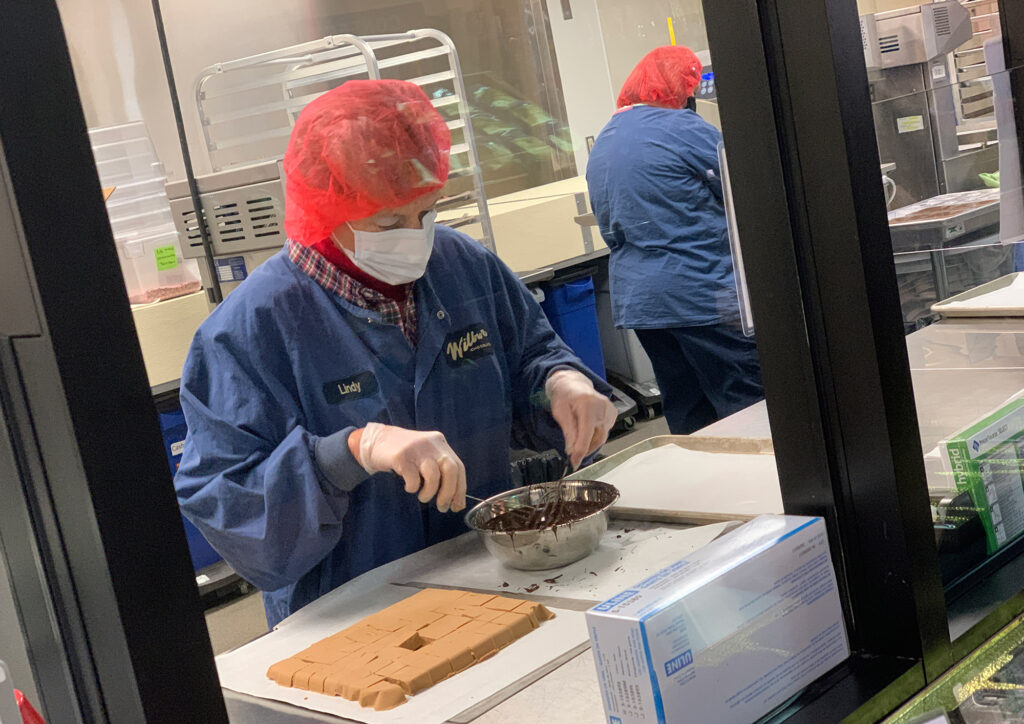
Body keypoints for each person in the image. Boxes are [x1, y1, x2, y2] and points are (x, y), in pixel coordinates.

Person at [174, 80, 616, 625]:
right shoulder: (250, 331)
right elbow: (227, 501)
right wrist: (352, 451)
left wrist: (560, 386)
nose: (414, 237)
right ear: (325, 209)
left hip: (489, 577)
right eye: (387, 222)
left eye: (427, 212)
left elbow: (528, 355)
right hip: (352, 611)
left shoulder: (461, 266)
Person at [586, 46, 764, 434]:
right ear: (681, 89)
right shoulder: (685, 128)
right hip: (702, 296)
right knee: (747, 407)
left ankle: (704, 491)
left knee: (688, 411)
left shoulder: (607, 138)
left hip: (644, 305)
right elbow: (745, 194)